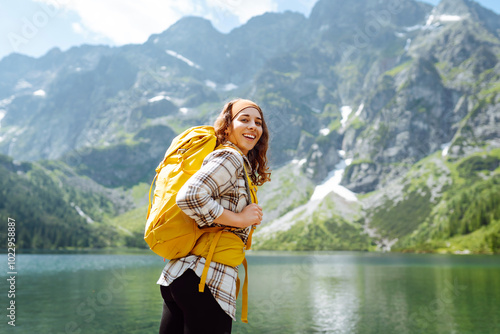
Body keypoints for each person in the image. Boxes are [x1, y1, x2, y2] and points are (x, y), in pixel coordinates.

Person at [157, 98, 271, 334]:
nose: (253, 126)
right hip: (206, 279)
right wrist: (240, 219)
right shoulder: (230, 157)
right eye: (244, 119)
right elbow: (189, 196)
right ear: (227, 126)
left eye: (258, 122)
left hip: (181, 275)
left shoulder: (229, 158)